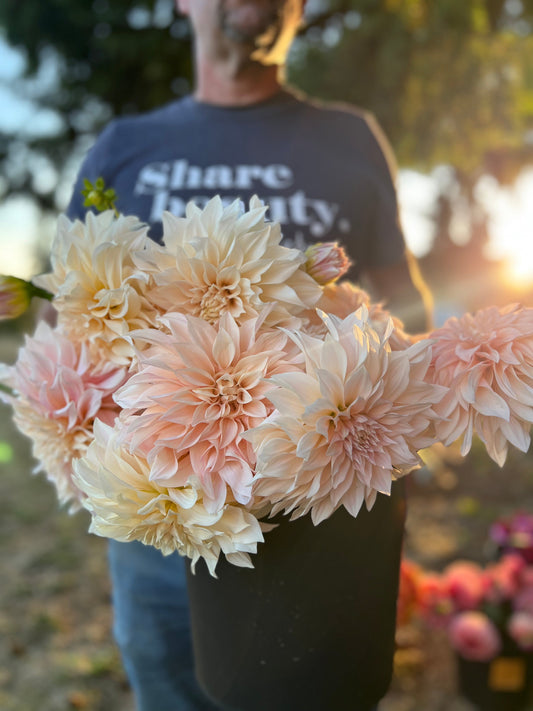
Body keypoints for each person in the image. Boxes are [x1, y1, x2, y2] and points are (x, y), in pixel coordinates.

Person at [66, 1, 430, 709]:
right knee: (170, 685)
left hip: (322, 530)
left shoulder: (349, 137)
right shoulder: (122, 145)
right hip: (161, 521)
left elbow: (403, 300)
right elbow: (71, 306)